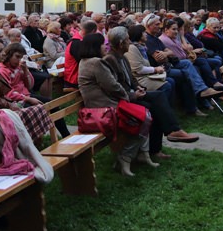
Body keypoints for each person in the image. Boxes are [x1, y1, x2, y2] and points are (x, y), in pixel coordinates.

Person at [105, 27, 198, 160]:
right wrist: (133, 94)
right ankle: (171, 132)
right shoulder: (110, 59)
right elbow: (113, 87)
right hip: (122, 100)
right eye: (127, 40)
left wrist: (137, 88)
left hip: (132, 93)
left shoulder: (122, 56)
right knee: (157, 101)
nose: (129, 42)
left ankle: (163, 142)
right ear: (121, 43)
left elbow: (131, 78)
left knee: (158, 101)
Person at [78, 34, 155, 177]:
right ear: (95, 47)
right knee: (142, 118)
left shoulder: (86, 61)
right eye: (102, 44)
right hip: (104, 110)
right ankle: (126, 157)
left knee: (145, 114)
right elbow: (112, 86)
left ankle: (140, 154)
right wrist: (129, 96)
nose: (105, 47)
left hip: (102, 106)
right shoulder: (96, 62)